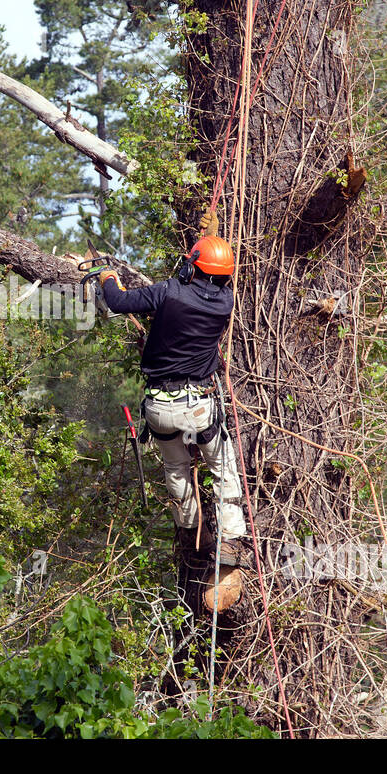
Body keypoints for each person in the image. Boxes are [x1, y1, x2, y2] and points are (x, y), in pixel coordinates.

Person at [95, 235, 250, 566]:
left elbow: (117, 302)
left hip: (160, 407)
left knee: (176, 468)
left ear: (191, 268)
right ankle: (232, 540)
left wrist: (107, 275)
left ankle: (191, 530)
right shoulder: (226, 302)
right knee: (222, 467)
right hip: (198, 406)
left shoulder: (168, 292)